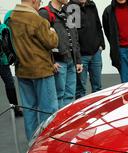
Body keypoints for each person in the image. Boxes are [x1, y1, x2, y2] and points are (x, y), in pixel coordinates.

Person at [8, 0, 59, 140]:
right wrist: (53, 32)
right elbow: (52, 42)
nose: (39, 4)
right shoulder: (37, 20)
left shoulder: (11, 18)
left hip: (22, 70)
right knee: (48, 111)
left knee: (29, 110)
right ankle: (47, 145)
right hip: (41, 70)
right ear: (34, 1)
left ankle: (32, 145)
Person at [39, 0, 83, 108]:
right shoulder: (44, 13)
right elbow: (42, 41)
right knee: (58, 96)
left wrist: (78, 60)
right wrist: (51, 62)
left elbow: (74, 36)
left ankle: (66, 123)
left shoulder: (69, 11)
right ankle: (58, 123)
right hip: (58, 62)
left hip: (71, 61)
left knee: (70, 96)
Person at [69, 0, 105, 98]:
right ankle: (82, 113)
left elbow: (98, 26)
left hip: (95, 52)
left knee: (97, 87)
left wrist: (101, 45)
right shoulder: (72, 8)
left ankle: (97, 112)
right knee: (80, 90)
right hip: (81, 56)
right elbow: (72, 34)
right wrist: (76, 55)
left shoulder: (92, 5)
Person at [0, 22, 21, 116]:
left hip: (3, 61)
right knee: (10, 84)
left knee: (10, 84)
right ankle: (16, 109)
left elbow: (9, 44)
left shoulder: (4, 28)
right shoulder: (4, 28)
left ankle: (15, 108)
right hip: (3, 61)